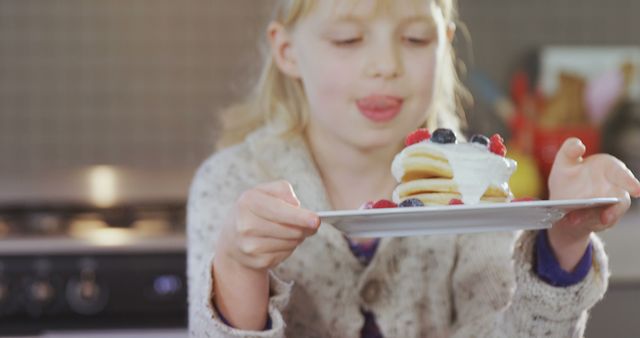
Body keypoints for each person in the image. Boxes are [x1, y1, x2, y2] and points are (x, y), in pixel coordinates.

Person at [186, 0, 640, 337]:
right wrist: (239, 266)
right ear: (287, 52)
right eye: (347, 39)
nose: (386, 66)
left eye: (415, 39)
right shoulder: (231, 182)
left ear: (443, 44)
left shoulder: (476, 185)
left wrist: (563, 240)